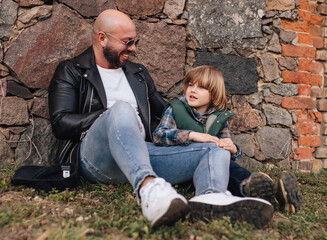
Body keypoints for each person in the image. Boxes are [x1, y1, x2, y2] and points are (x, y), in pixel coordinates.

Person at [49, 9, 274, 229]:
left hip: (143, 152)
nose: (133, 49)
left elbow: (168, 111)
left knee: (212, 146)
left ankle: (210, 198)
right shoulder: (72, 70)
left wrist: (201, 127)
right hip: (97, 159)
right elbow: (61, 124)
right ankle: (149, 190)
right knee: (122, 109)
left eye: (134, 41)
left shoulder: (138, 74)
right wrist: (111, 115)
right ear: (102, 39)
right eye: (128, 42)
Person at [153, 65, 302, 213]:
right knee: (217, 158)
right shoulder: (176, 108)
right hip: (183, 164)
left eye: (201, 87)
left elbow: (224, 147)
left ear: (214, 94)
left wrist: (233, 148)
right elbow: (159, 135)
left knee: (226, 164)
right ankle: (250, 189)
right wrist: (192, 135)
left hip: (209, 168)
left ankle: (264, 193)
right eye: (191, 85)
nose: (193, 90)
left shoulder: (219, 117)